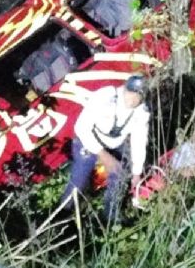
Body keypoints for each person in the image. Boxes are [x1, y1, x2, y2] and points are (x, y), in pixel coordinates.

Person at [60, 75, 150, 223]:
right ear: (125, 89)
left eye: (138, 96)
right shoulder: (105, 97)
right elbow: (81, 127)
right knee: (79, 179)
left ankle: (111, 215)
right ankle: (63, 214)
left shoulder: (142, 112)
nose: (132, 99)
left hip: (114, 143)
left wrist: (136, 173)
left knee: (120, 174)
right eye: (131, 93)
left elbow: (139, 141)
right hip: (88, 141)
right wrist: (103, 155)